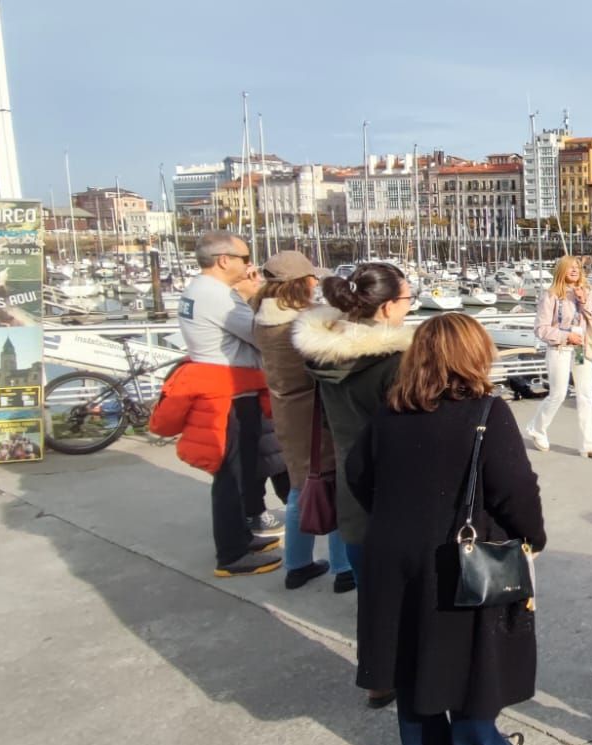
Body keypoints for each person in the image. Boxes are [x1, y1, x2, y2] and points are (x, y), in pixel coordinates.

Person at [347, 313, 545, 745]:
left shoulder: (391, 411)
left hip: (393, 547)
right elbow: (514, 488)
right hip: (457, 551)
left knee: (410, 648)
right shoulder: (486, 412)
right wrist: (531, 538)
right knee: (472, 656)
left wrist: (394, 516)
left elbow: (356, 474)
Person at [293, 260, 415, 595]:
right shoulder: (397, 362)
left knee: (370, 601)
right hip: (398, 496)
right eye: (409, 300)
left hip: (351, 488)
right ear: (389, 307)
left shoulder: (324, 353)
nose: (410, 307)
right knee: (402, 608)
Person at [169, 230, 282, 578]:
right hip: (230, 395)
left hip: (226, 392)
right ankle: (232, 554)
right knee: (231, 476)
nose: (249, 266)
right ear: (223, 260)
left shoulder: (198, 290)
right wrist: (256, 296)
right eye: (245, 258)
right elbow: (262, 334)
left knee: (238, 471)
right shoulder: (217, 297)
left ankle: (242, 538)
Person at [252, 251, 353, 592]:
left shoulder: (262, 319)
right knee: (337, 485)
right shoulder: (305, 322)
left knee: (300, 487)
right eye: (312, 278)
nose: (315, 283)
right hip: (317, 411)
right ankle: (344, 567)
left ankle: (298, 564)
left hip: (287, 411)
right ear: (301, 283)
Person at [526, 255, 592, 458]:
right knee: (558, 393)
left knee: (585, 396)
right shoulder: (551, 295)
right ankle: (537, 427)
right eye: (570, 267)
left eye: (577, 267)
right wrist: (565, 335)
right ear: (561, 270)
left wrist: (584, 301)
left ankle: (589, 444)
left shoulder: (585, 292)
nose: (574, 270)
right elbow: (541, 329)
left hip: (580, 351)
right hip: (559, 349)